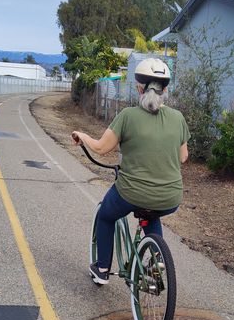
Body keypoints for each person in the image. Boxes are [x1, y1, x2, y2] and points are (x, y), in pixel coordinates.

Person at [72, 57, 190, 284]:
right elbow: (183, 157)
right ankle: (156, 264)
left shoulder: (128, 116)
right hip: (170, 196)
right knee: (152, 213)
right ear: (165, 89)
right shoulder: (178, 118)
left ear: (138, 87)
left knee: (105, 216)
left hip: (132, 192)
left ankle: (103, 268)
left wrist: (82, 136)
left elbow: (101, 148)